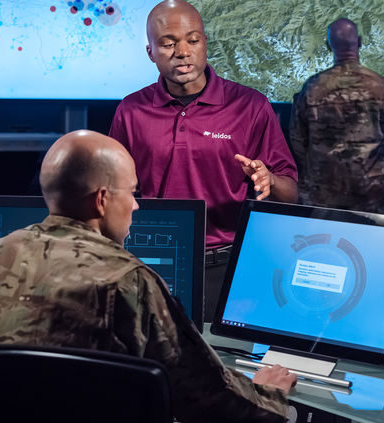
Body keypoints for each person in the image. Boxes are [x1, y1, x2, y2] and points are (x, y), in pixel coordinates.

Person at [0, 130, 297, 423]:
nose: (137, 205)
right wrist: (268, 394)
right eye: (133, 192)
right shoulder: (128, 280)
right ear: (103, 200)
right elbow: (207, 400)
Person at [108, 0, 298, 321]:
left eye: (193, 41)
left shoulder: (250, 106)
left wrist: (269, 181)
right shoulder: (130, 111)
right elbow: (111, 192)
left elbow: (291, 194)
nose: (183, 51)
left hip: (228, 267)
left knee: (228, 365)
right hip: (151, 263)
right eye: (168, 43)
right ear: (151, 52)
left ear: (205, 43)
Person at [289, 18, 384, 214]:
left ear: (328, 45)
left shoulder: (312, 87)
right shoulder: (382, 87)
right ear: (359, 41)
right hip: (370, 190)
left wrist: (319, 165)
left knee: (320, 242)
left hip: (322, 189)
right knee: (368, 243)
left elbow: (298, 138)